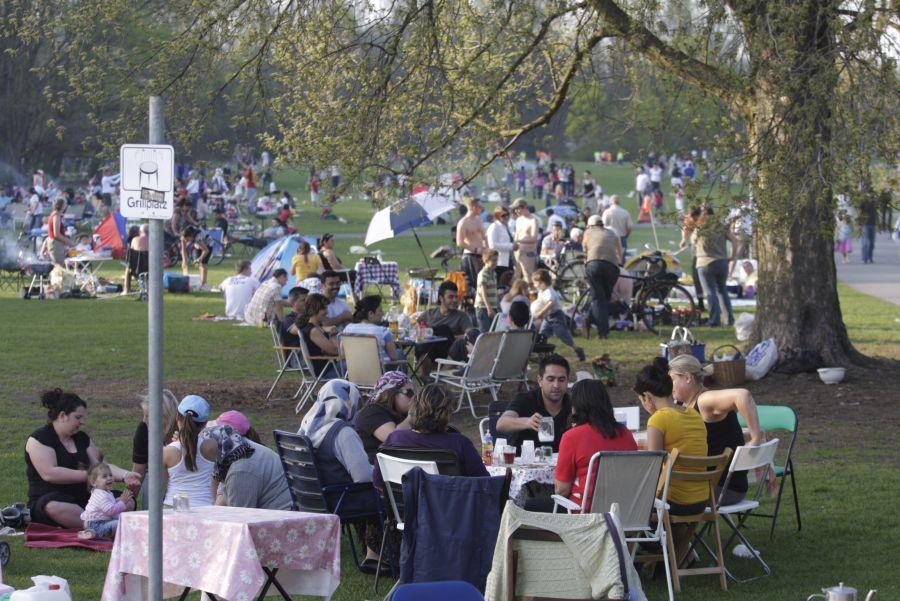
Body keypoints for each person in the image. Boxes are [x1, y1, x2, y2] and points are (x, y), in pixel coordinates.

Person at [25, 389, 140, 528]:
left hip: (87, 497)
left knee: (129, 501)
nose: (82, 422)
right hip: (53, 497)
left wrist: (125, 475)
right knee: (53, 507)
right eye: (78, 417)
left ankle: (100, 524)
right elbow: (49, 473)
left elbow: (101, 466)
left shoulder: (82, 438)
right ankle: (103, 524)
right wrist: (90, 476)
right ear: (62, 415)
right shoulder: (40, 439)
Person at [633, 357, 709, 564]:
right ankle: (679, 553)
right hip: (700, 500)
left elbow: (653, 469)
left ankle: (635, 558)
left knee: (627, 504)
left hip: (675, 502)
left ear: (647, 397)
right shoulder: (694, 415)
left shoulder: (658, 419)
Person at [667, 354, 770, 506]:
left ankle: (671, 529)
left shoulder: (704, 400)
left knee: (658, 496)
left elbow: (743, 395)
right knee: (660, 492)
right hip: (714, 485)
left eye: (672, 380)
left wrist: (755, 438)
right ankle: (681, 529)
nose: (669, 386)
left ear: (687, 377)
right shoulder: (687, 404)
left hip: (723, 489)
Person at [299, 380, 382, 568]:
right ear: (348, 401)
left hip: (310, 499)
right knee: (389, 494)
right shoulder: (343, 432)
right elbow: (363, 477)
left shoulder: (307, 425)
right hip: (340, 500)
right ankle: (378, 556)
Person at [526, 379, 637, 512]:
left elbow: (561, 490)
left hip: (584, 514)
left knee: (528, 506)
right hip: (623, 513)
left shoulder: (573, 437)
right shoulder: (627, 434)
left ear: (577, 405)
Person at [374, 384, 489, 488]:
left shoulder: (395, 438)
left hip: (405, 508)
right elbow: (484, 484)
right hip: (451, 508)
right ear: (447, 413)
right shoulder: (459, 443)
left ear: (413, 409)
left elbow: (379, 483)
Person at [202, 425, 292, 510]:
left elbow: (240, 516)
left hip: (282, 516)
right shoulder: (238, 448)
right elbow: (222, 497)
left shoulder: (239, 471)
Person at [497, 354, 572, 452]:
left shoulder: (573, 404)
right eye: (550, 379)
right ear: (540, 381)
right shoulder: (525, 399)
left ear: (567, 381)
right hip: (523, 464)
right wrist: (527, 422)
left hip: (560, 464)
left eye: (561, 380)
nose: (556, 385)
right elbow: (501, 423)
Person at [681, 206, 739, 326]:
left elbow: (693, 241)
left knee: (710, 292)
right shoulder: (722, 227)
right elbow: (735, 241)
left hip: (705, 262)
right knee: (722, 291)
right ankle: (729, 320)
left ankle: (714, 320)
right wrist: (732, 257)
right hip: (722, 261)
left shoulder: (701, 228)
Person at [162, 395, 216, 508]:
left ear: (177, 417)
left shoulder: (167, 452)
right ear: (205, 423)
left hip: (173, 507)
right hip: (205, 508)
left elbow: (161, 487)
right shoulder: (212, 446)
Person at [130, 390, 179, 508]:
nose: (144, 420)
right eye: (144, 415)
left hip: (180, 481)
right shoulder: (144, 429)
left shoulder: (181, 431)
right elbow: (138, 470)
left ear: (164, 417)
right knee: (151, 478)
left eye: (148, 416)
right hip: (155, 478)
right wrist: (128, 502)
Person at [355, 371, 414, 462]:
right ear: (391, 392)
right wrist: (414, 415)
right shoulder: (372, 412)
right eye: (409, 393)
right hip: (376, 469)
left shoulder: (402, 414)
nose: (413, 397)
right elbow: (393, 438)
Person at [530, 269, 585, 361]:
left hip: (556, 317)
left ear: (542, 282)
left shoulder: (549, 292)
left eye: (536, 283)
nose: (535, 286)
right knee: (542, 335)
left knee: (562, 335)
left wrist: (540, 313)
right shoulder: (541, 291)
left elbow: (550, 303)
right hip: (548, 318)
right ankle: (542, 356)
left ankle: (577, 349)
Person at [584, 215, 622, 339]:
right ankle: (588, 320)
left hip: (594, 265)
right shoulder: (612, 233)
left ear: (591, 225)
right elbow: (619, 252)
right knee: (603, 299)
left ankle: (602, 333)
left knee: (597, 299)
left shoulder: (588, 232)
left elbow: (585, 249)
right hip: (612, 267)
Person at [78, 462, 134, 539]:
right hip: (96, 523)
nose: (109, 478)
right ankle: (94, 533)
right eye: (104, 476)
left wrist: (119, 500)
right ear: (94, 482)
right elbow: (110, 511)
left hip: (101, 521)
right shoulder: (101, 495)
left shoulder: (105, 492)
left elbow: (110, 505)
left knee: (122, 521)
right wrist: (122, 502)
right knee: (118, 524)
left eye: (110, 475)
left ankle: (91, 533)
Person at [343, 295, 403, 363]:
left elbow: (342, 353)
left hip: (354, 371)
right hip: (380, 372)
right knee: (399, 353)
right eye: (380, 310)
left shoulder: (347, 329)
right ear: (371, 313)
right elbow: (393, 356)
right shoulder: (383, 331)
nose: (383, 313)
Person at [301, 293, 342, 377]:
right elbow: (334, 350)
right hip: (325, 371)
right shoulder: (313, 330)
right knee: (357, 369)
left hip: (331, 366)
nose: (327, 311)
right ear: (313, 309)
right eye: (324, 308)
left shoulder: (317, 327)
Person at [456, 197, 488, 296]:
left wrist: (485, 247)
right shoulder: (463, 222)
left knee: (483, 281)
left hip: (481, 255)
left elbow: (484, 236)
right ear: (473, 207)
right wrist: (474, 249)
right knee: (474, 283)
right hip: (470, 256)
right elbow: (459, 242)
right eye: (479, 207)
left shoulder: (478, 219)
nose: (481, 209)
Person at [486, 205, 516, 285]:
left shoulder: (507, 226)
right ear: (497, 216)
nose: (506, 217)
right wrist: (511, 246)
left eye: (507, 214)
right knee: (500, 284)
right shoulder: (494, 227)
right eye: (503, 215)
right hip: (499, 262)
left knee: (508, 284)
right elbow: (492, 245)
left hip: (509, 260)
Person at [512, 198, 539, 279]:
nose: (516, 211)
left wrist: (519, 241)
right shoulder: (518, 220)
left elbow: (534, 238)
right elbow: (516, 235)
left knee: (529, 278)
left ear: (523, 207)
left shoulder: (533, 220)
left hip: (528, 253)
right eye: (515, 209)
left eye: (517, 209)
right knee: (516, 277)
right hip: (517, 253)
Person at [180, 225, 214, 290]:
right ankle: (201, 282)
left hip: (208, 245)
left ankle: (204, 284)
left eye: (187, 239)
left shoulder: (197, 237)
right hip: (198, 245)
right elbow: (183, 250)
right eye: (185, 239)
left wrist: (200, 259)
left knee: (203, 264)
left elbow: (206, 250)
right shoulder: (183, 237)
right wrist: (184, 261)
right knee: (199, 264)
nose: (186, 241)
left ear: (191, 236)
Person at [474, 249, 500, 332]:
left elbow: (494, 292)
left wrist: (498, 305)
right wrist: (489, 308)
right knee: (485, 332)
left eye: (497, 260)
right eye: (494, 260)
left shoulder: (494, 273)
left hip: (492, 307)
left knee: (494, 331)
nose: (496, 262)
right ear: (486, 260)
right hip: (483, 307)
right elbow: (483, 292)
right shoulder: (483, 274)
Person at [123, 224, 149, 295]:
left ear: (140, 232)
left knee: (128, 268)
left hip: (136, 269)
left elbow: (130, 255)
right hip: (152, 269)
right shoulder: (154, 241)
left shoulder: (135, 240)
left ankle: (126, 290)